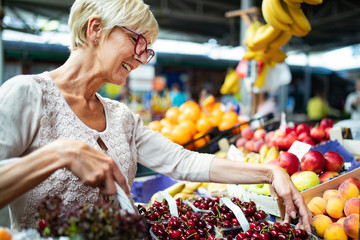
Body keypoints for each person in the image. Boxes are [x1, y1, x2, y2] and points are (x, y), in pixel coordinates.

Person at [0, 0, 311, 232]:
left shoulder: (121, 118)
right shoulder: (28, 95)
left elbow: (184, 162)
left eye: (147, 50)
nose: (142, 58)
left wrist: (271, 173)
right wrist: (60, 154)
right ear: (95, 29)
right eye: (138, 41)